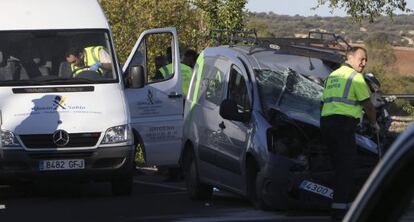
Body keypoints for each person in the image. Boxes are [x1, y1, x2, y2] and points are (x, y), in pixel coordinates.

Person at [320, 46, 380, 220]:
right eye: (361, 59)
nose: (364, 63)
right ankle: (340, 212)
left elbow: (323, 102)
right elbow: (368, 105)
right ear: (350, 58)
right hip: (343, 125)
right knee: (347, 168)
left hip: (326, 123)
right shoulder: (356, 78)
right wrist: (374, 123)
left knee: (337, 166)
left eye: (366, 59)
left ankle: (335, 202)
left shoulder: (332, 76)